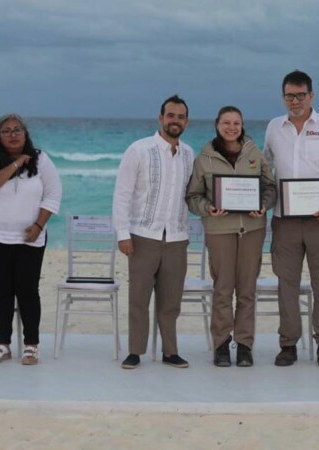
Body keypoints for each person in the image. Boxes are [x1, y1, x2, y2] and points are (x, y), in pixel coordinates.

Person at [263, 70, 319, 368]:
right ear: (283, 97)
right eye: (290, 95)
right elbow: (266, 168)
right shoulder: (274, 127)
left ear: (311, 96)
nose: (295, 101)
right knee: (286, 283)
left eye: (301, 95)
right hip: (284, 219)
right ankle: (288, 343)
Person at [186, 106, 277, 368]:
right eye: (226, 122)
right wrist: (208, 208)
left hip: (252, 229)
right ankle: (222, 345)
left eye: (236, 123)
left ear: (242, 125)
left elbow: (270, 187)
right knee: (223, 289)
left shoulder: (254, 153)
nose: (231, 127)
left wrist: (263, 204)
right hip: (219, 230)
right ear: (217, 124)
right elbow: (192, 197)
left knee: (247, 290)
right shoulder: (205, 157)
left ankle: (245, 345)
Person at [112, 95, 195, 370]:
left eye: (180, 117)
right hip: (142, 236)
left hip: (176, 237)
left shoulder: (189, 154)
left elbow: (191, 195)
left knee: (171, 301)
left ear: (186, 121)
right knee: (139, 298)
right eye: (170, 115)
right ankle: (135, 351)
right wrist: (122, 233)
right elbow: (122, 194)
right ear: (161, 118)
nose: (175, 121)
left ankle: (170, 352)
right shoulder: (139, 150)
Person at [0, 114, 62, 365]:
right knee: (1, 292)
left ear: (25, 133)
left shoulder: (42, 159)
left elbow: (54, 195)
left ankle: (31, 345)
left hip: (30, 238)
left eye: (17, 130)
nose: (13, 134)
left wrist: (38, 225)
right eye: (6, 131)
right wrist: (16, 164)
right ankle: (3, 344)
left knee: (27, 292)